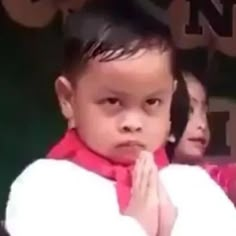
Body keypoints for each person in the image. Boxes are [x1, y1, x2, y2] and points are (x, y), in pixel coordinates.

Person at [5, 1, 236, 236]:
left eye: (152, 102)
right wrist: (135, 228)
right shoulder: (46, 186)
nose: (133, 123)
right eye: (113, 102)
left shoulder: (193, 187)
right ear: (68, 98)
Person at [167, 71, 236, 205]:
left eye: (205, 113)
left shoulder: (212, 176)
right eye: (189, 111)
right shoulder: (144, 175)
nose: (202, 125)